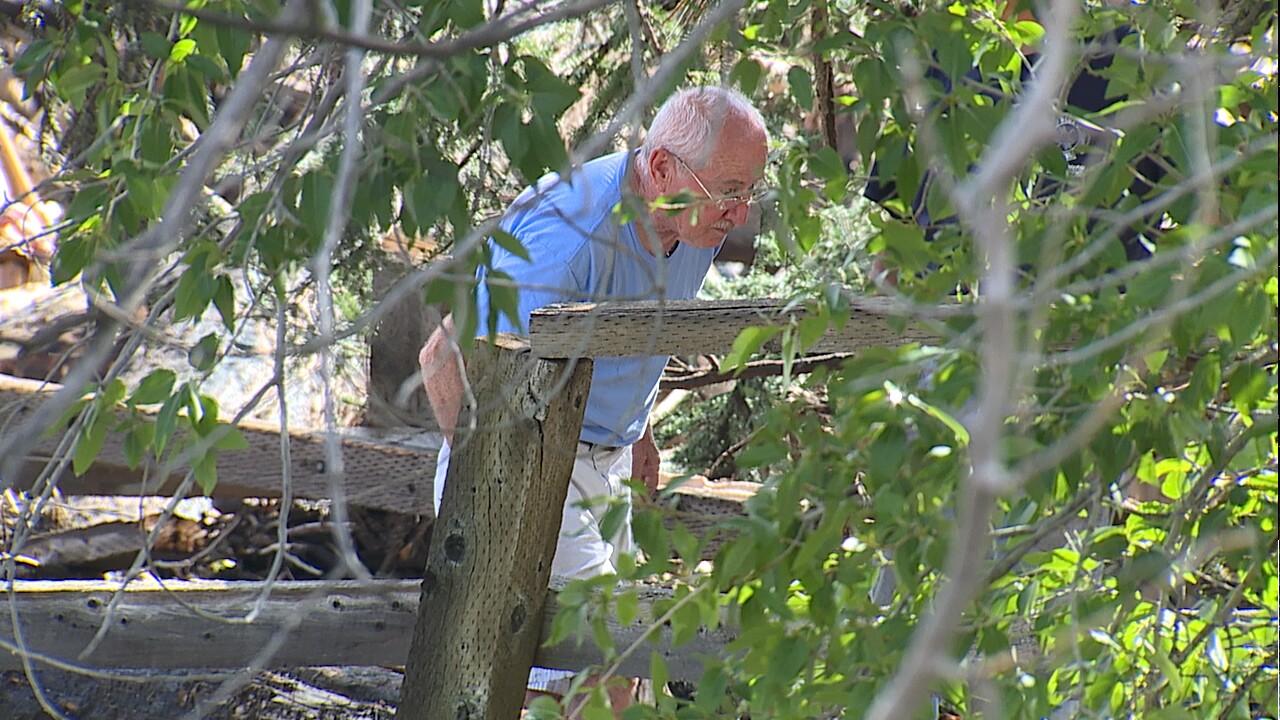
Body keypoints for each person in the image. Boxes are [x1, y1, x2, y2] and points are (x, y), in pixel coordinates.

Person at [418, 85, 768, 715]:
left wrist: (639, 430)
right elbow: (441, 358)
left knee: (608, 667)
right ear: (661, 168)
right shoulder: (569, 242)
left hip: (605, 458)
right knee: (596, 678)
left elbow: (644, 321)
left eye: (751, 191)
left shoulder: (695, 221)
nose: (740, 213)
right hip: (527, 459)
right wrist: (496, 492)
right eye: (730, 191)